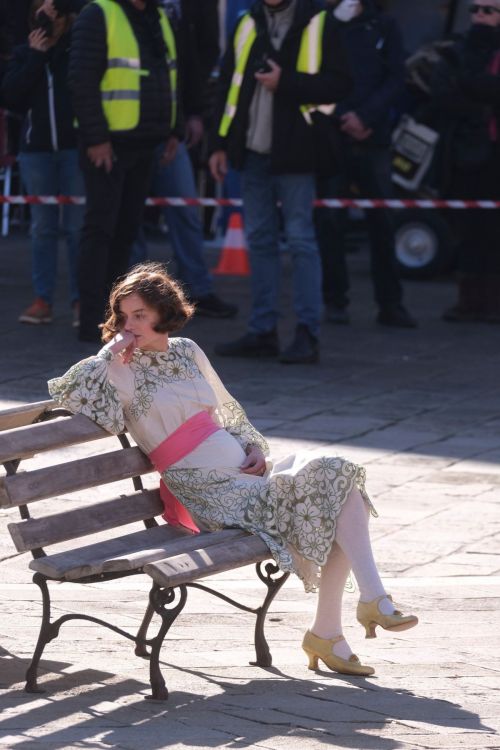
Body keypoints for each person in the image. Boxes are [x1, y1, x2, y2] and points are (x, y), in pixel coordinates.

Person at [47, 262, 418, 676]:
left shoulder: (188, 350)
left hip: (245, 473)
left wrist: (252, 447)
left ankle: (336, 625)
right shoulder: (118, 369)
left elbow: (227, 411)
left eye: (140, 315)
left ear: (163, 313)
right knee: (338, 500)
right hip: (203, 489)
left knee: (342, 480)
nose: (129, 325)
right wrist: (108, 352)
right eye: (123, 316)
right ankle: (362, 609)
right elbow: (72, 391)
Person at [209, 0, 352, 364]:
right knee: (260, 241)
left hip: (298, 152)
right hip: (253, 151)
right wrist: (219, 144)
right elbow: (229, 86)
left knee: (302, 239)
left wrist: (284, 82)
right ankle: (263, 331)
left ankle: (307, 333)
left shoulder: (318, 21)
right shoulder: (248, 22)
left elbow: (340, 83)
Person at [69, 0, 180, 342]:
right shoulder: (99, 13)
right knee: (100, 231)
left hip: (145, 143)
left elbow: (170, 75)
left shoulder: (157, 17)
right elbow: (81, 81)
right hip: (109, 146)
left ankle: (117, 319)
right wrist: (96, 138)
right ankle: (91, 319)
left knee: (125, 233)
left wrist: (172, 130)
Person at [131, 0, 238, 320]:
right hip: (129, 127)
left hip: (171, 125)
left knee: (185, 207)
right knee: (129, 214)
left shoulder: (189, 8)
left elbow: (196, 58)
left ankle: (197, 290)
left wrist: (194, 112)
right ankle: (136, 294)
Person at [316, 0, 417, 328]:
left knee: (383, 222)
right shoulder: (322, 23)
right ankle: (335, 301)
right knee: (329, 221)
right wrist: (344, 116)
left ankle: (391, 303)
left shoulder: (383, 25)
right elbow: (313, 74)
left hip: (373, 138)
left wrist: (367, 117)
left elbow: (396, 77)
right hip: (332, 137)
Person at [2, 0, 84, 326]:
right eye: (43, 13)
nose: (51, 20)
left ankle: (82, 301)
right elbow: (11, 96)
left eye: (56, 13)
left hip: (73, 149)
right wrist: (37, 55)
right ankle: (43, 299)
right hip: (36, 151)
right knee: (42, 228)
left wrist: (57, 46)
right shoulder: (25, 53)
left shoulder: (76, 48)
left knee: (78, 227)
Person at [428, 0, 500, 324]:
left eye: (488, 10)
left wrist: (472, 86)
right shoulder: (457, 49)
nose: (479, 17)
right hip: (466, 152)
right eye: (475, 10)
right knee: (468, 227)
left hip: (492, 151)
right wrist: (478, 103)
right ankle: (470, 301)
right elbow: (442, 91)